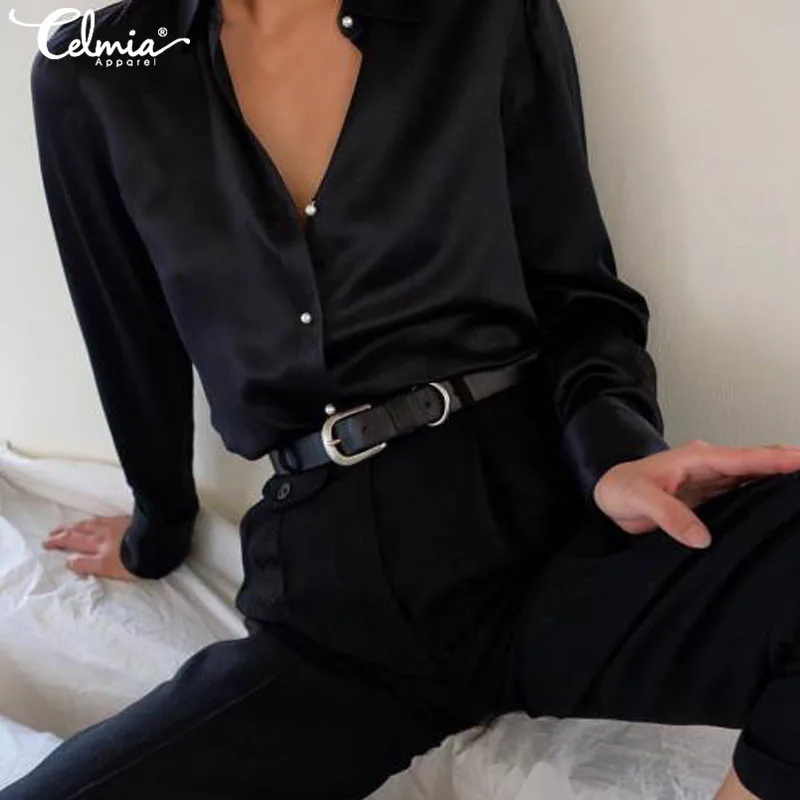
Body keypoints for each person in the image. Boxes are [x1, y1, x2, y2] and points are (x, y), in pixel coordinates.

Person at [8, 0, 800, 797]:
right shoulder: (96, 69)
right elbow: (128, 333)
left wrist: (617, 453)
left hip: (550, 522)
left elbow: (578, 294)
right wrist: (156, 530)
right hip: (338, 603)